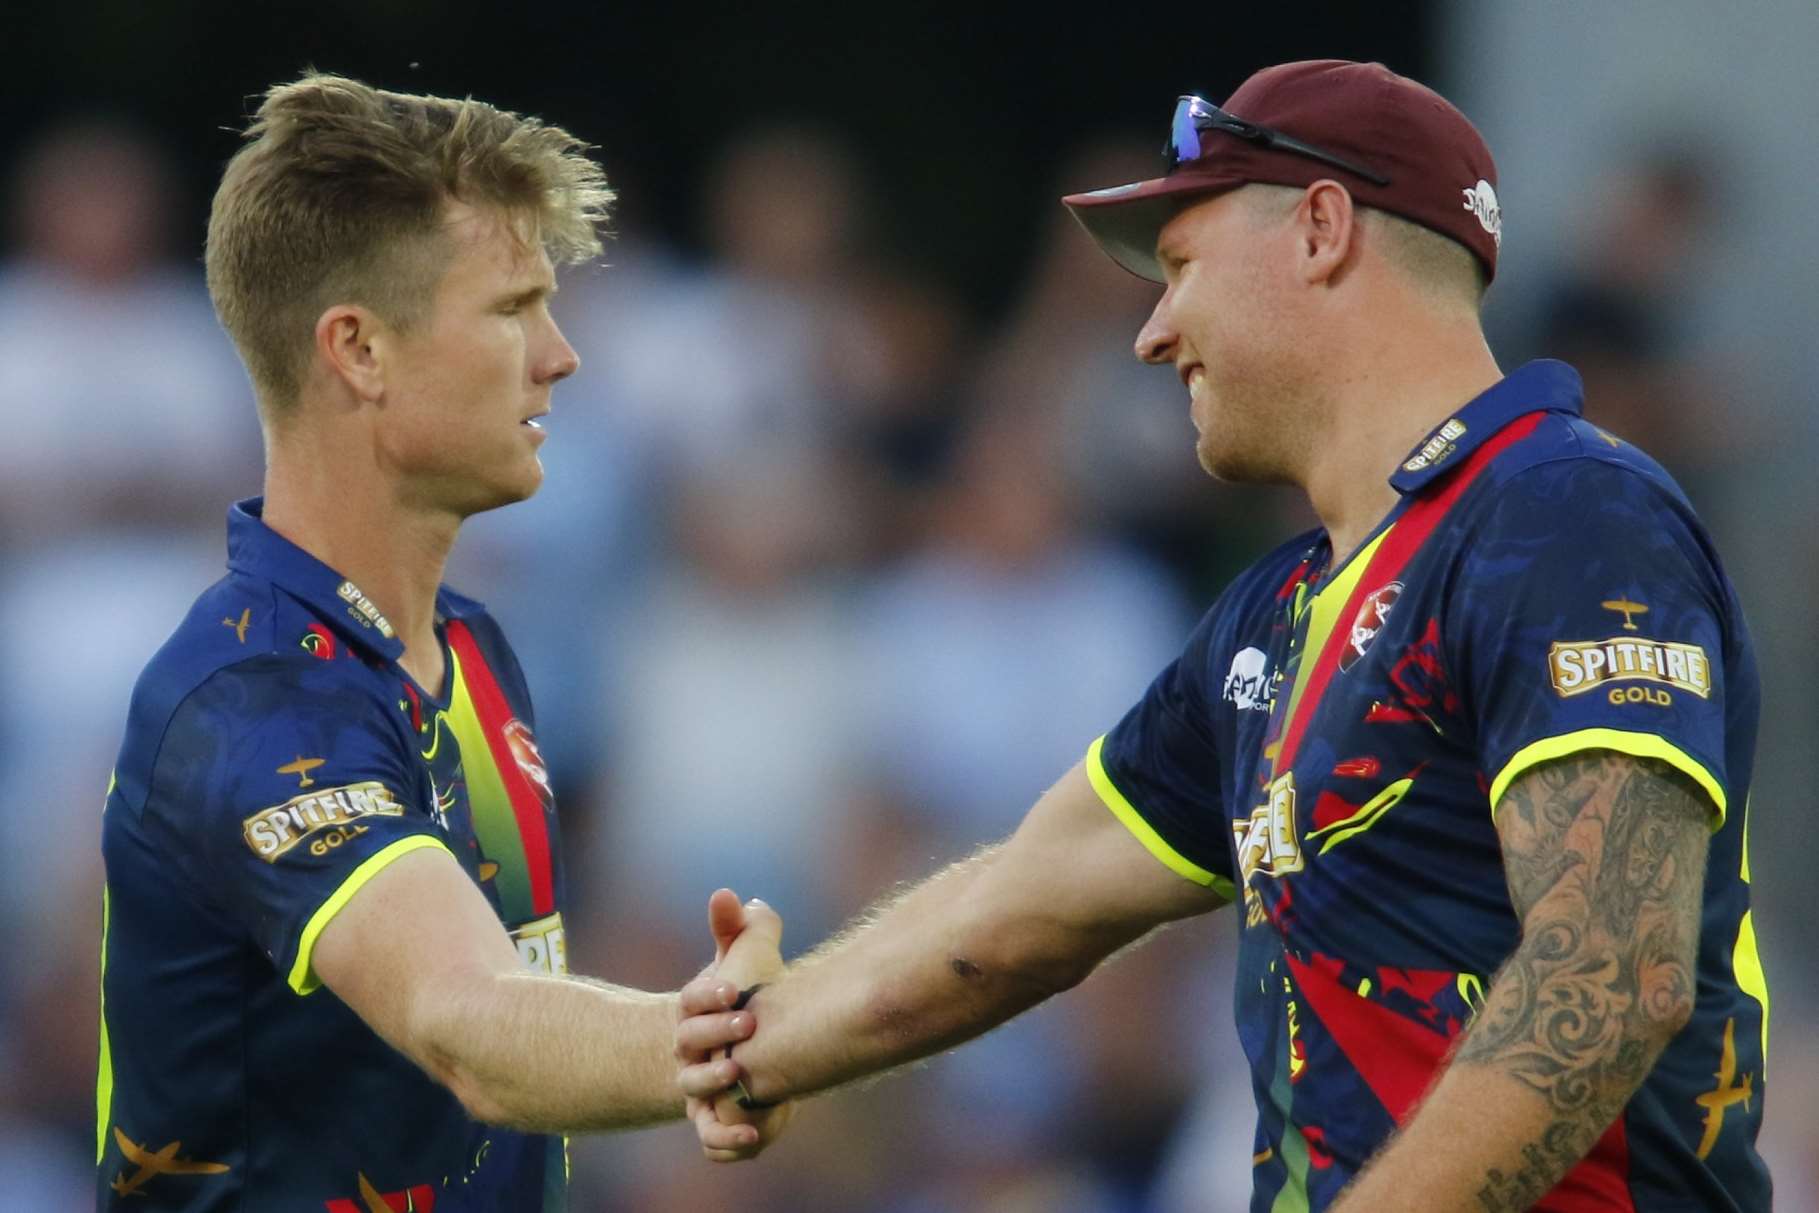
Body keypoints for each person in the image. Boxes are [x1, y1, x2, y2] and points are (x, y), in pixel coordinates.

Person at [680, 59, 1773, 1211]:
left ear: (1319, 228)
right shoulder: (1275, 614)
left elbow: (1610, 974)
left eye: (1180, 267)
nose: (1151, 333)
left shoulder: (1561, 512)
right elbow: (1016, 908)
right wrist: (764, 1035)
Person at [96, 74, 783, 1211]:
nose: (559, 355)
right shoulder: (249, 697)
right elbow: (473, 1026)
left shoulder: (472, 651)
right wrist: (744, 1037)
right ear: (358, 350)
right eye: (513, 308)